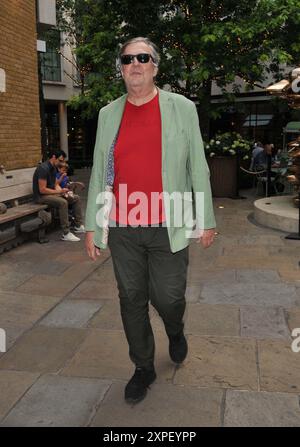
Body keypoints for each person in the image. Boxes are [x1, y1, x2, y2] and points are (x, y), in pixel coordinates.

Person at [85, 37, 216, 404]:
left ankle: (175, 330)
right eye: (128, 59)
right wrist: (94, 226)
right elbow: (99, 172)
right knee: (131, 298)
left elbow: (197, 167)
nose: (135, 64)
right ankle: (143, 367)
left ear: (155, 66)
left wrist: (205, 219)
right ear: (122, 68)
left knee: (169, 297)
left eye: (143, 58)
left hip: (167, 224)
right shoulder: (108, 114)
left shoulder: (182, 108)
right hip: (124, 227)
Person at [32, 150, 85, 241]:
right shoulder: (43, 168)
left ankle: (78, 225)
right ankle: (66, 233)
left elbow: (55, 184)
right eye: (60, 160)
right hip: (41, 197)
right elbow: (42, 189)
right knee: (63, 202)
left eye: (63, 161)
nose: (62, 163)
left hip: (50, 194)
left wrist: (62, 190)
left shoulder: (53, 168)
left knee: (75, 198)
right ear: (53, 157)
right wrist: (59, 193)